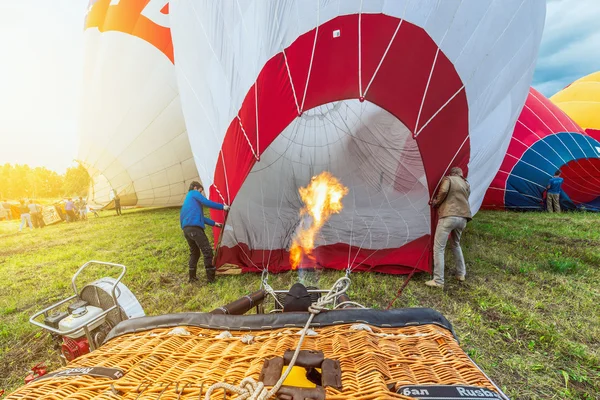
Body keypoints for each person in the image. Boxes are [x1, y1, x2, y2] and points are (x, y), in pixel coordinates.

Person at [426, 167, 472, 288]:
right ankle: (461, 273)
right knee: (456, 244)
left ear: (452, 173)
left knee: (439, 248)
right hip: (463, 218)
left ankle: (438, 280)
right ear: (460, 175)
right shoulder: (466, 183)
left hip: (449, 216)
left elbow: (444, 191)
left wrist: (436, 202)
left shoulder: (448, 179)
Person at [180, 181, 229, 283]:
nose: (201, 194)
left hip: (186, 230)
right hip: (195, 228)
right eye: (200, 191)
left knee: (195, 252)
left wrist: (215, 224)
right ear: (195, 188)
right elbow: (206, 202)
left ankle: (192, 278)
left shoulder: (188, 201)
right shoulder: (193, 193)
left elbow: (201, 217)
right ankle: (210, 280)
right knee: (207, 251)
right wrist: (223, 207)